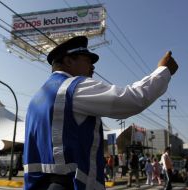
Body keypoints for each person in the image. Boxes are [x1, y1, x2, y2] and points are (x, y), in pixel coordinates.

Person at [23, 36, 178, 190]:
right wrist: (163, 71)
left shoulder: (37, 99)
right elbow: (131, 100)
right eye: (87, 60)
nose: (93, 67)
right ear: (69, 61)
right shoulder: (73, 88)